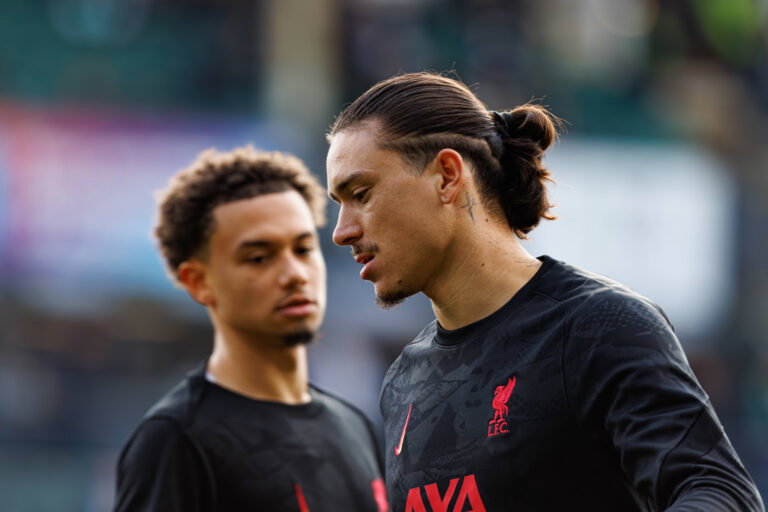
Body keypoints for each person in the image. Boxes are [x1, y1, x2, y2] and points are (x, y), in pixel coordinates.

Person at [326, 72, 764, 511]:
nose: (341, 232)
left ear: (446, 176)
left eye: (361, 193)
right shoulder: (402, 380)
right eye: (338, 204)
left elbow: (721, 494)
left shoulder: (597, 327)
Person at [114, 146, 388, 512]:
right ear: (198, 282)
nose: (294, 274)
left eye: (303, 249)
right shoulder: (178, 438)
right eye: (259, 257)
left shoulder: (353, 425)